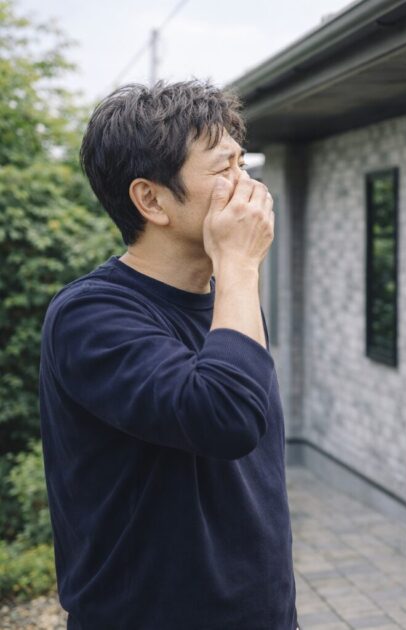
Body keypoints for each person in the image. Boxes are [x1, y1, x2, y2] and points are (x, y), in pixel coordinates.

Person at [38, 80, 297, 629]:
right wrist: (241, 266)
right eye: (223, 169)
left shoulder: (227, 300)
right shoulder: (90, 317)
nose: (245, 187)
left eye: (241, 164)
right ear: (151, 199)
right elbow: (225, 418)